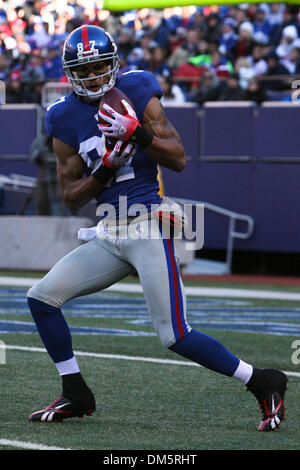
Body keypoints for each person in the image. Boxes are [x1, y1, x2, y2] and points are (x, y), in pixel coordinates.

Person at [26, 25, 287, 432]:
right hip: (109, 233)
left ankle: (262, 380)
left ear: (113, 64)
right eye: (85, 68)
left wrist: (138, 134)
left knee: (174, 334)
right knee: (41, 298)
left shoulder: (138, 88)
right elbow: (72, 196)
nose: (94, 76)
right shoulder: (61, 116)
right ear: (69, 71)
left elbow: (179, 158)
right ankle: (76, 392)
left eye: (99, 66)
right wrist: (106, 168)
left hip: (147, 222)